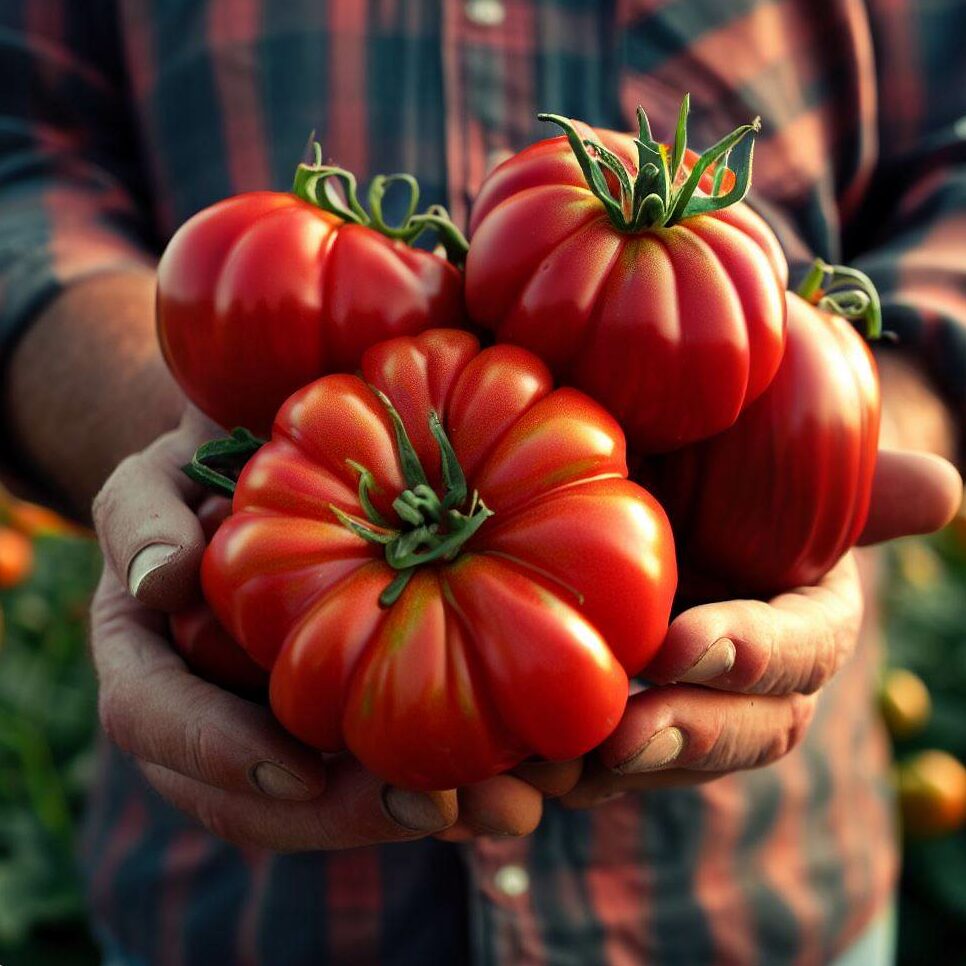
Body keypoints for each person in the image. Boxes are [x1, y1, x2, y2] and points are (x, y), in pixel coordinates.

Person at [1, 2, 963, 963]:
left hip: (764, 902)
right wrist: (171, 442)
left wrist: (843, 437)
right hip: (234, 917)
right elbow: (22, 163)